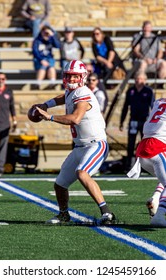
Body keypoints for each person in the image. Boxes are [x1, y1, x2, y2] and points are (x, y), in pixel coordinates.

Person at [33, 59, 116, 225]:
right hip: (80, 146)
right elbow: (63, 97)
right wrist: (46, 104)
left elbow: (75, 119)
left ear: (82, 77)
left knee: (82, 173)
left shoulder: (83, 93)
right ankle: (64, 214)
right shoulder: (72, 92)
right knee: (60, 185)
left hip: (96, 144)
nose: (71, 79)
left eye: (75, 76)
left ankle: (107, 213)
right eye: (69, 76)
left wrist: (49, 116)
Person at [127, 98, 166, 227]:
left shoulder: (159, 102)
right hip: (156, 148)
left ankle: (155, 199)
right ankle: (159, 215)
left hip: (143, 150)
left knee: (164, 178)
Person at [119, 71, 155, 171]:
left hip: (145, 121)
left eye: (141, 79)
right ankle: (130, 165)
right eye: (137, 78)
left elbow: (152, 107)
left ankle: (146, 166)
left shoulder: (148, 91)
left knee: (145, 143)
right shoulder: (131, 91)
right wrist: (121, 121)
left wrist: (153, 123)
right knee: (131, 143)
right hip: (133, 120)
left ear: (145, 80)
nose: (138, 81)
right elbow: (125, 107)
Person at [0, 72, 17, 178]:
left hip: (5, 124)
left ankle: (1, 168)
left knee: (3, 146)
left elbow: (12, 107)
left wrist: (14, 120)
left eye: (2, 79)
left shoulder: (9, 92)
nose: (1, 80)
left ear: (5, 79)